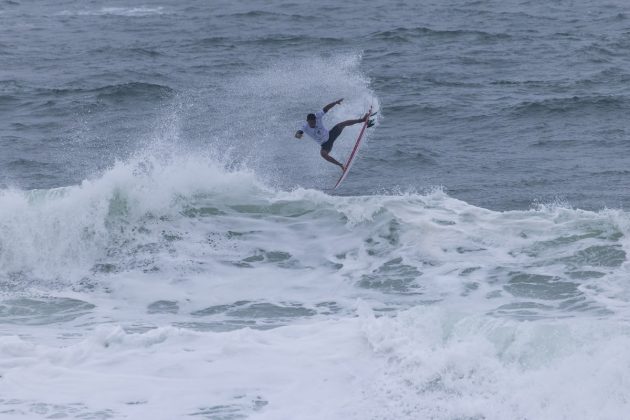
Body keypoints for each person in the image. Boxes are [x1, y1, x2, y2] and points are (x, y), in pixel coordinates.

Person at [294, 98, 374, 170]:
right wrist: (298, 136)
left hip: (330, 135)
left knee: (342, 124)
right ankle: (341, 165)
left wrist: (335, 102)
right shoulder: (304, 127)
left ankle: (363, 120)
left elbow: (326, 108)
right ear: (307, 121)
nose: (313, 124)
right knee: (323, 154)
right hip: (325, 145)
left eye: (314, 122)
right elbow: (297, 134)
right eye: (311, 123)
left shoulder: (317, 116)